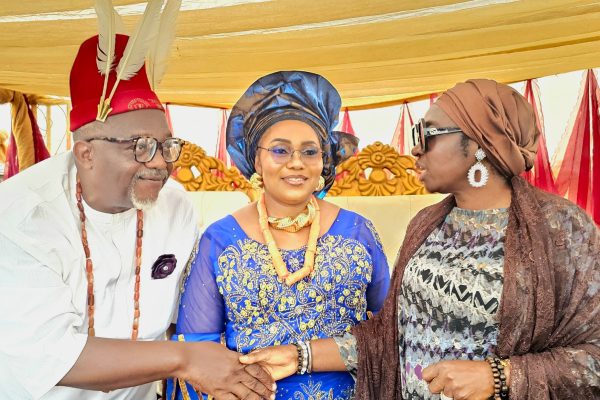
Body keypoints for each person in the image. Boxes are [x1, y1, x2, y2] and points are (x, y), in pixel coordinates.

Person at [239, 79, 600, 400]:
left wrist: (499, 376)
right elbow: (388, 338)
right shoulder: (427, 224)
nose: (415, 149)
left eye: (426, 134)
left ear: (478, 142)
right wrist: (300, 355)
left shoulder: (561, 229)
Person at [0, 34, 274, 400]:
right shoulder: (21, 217)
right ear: (86, 154)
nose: (160, 162)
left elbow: (195, 309)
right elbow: (52, 356)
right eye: (141, 147)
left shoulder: (175, 206)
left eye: (167, 146)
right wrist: (186, 359)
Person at [168, 71, 390, 400]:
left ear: (323, 161)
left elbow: (390, 333)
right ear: (256, 160)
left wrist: (308, 356)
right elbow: (197, 349)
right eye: (280, 151)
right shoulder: (220, 239)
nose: (296, 163)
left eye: (310, 152)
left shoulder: (359, 233)